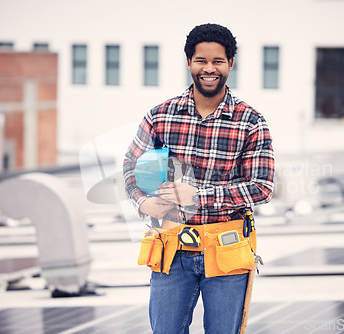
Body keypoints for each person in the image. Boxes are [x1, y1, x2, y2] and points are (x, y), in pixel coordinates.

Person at [123, 23, 274, 333]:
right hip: (172, 248)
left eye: (218, 61)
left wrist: (198, 195)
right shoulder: (161, 116)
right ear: (189, 62)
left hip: (226, 250)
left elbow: (262, 187)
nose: (209, 69)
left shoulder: (250, 122)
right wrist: (142, 203)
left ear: (230, 64)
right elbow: (130, 165)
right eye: (201, 61)